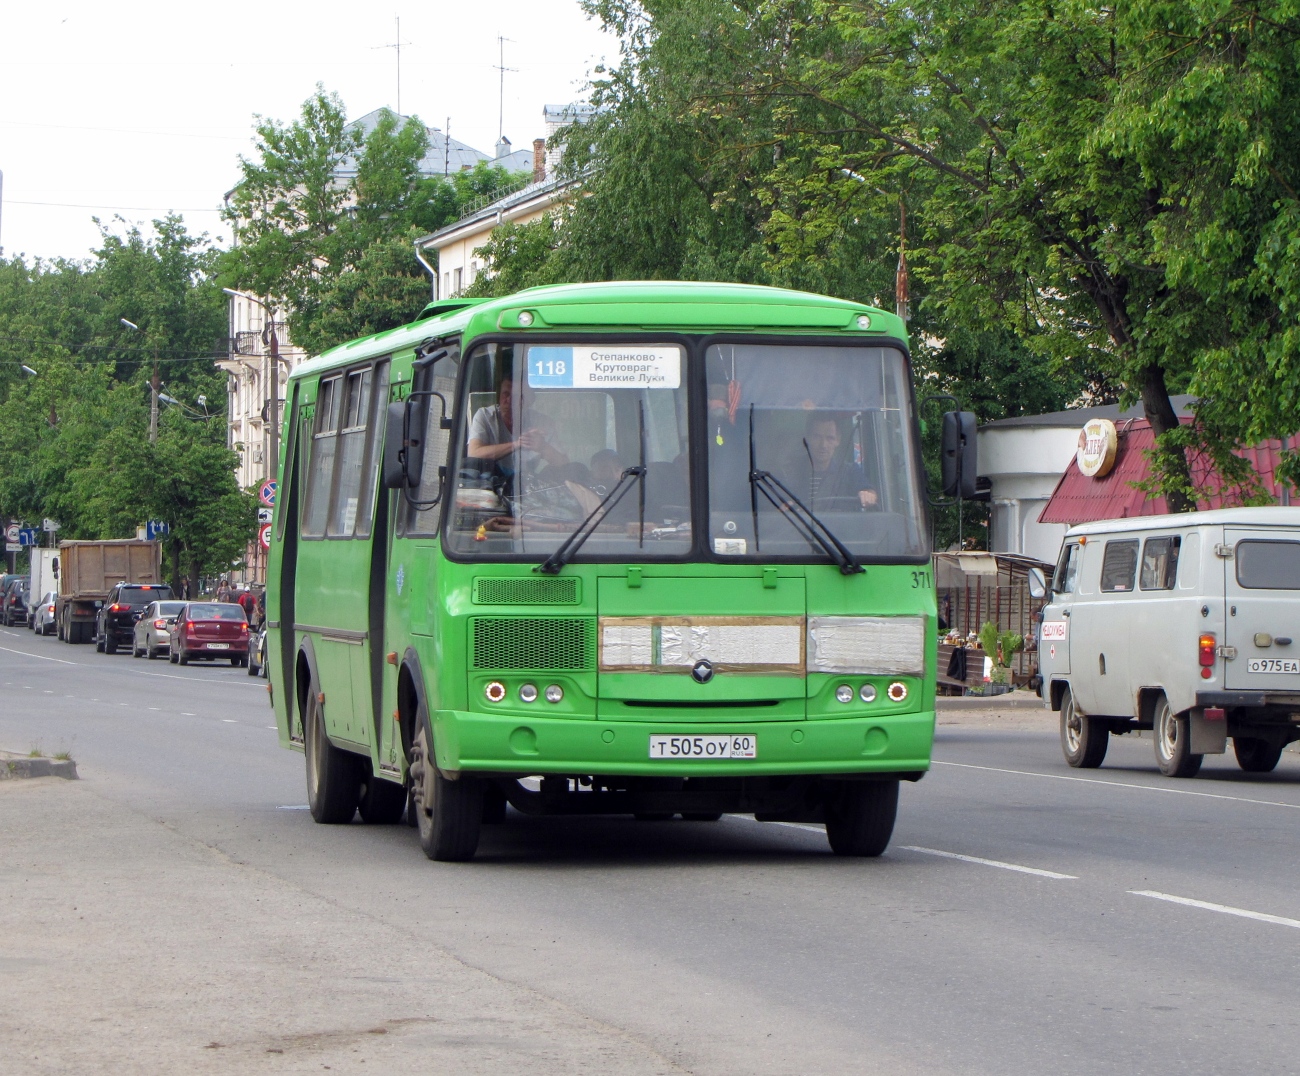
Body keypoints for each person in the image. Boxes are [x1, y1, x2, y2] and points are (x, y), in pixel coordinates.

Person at [466, 375, 568, 474]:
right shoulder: (485, 416)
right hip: (491, 482)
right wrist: (517, 444)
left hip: (525, 484)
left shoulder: (543, 422)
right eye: (505, 394)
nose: (509, 401)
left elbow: (564, 463)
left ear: (529, 401)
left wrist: (542, 447)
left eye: (517, 397)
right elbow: (474, 453)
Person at [781, 412, 878, 509]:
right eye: (817, 437)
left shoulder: (849, 472)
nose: (823, 445)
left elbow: (869, 492)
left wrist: (868, 495)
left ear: (838, 440)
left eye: (830, 438)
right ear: (807, 438)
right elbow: (779, 503)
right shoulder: (789, 472)